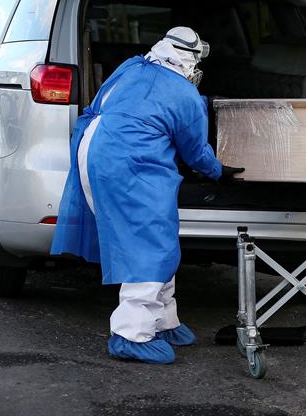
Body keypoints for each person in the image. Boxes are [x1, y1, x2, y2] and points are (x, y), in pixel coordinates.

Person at [51, 27, 244, 365]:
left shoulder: (133, 66)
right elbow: (195, 151)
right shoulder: (184, 94)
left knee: (159, 240)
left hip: (93, 152)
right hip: (130, 163)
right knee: (148, 244)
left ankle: (163, 321)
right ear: (190, 60)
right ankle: (131, 334)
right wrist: (219, 171)